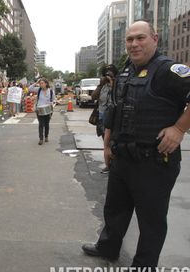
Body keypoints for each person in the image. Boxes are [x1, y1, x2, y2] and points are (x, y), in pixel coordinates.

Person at [81, 21, 190, 269]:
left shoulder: (168, 70)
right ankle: (108, 247)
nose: (133, 44)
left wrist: (179, 128)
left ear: (155, 38)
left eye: (140, 38)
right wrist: (107, 145)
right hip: (122, 157)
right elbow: (114, 111)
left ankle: (143, 264)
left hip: (154, 161)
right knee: (115, 209)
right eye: (129, 40)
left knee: (151, 220)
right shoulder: (126, 72)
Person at [29, 78, 55, 145]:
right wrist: (36, 82)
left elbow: (54, 100)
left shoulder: (51, 91)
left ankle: (46, 136)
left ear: (46, 84)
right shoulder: (38, 89)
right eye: (40, 83)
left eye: (42, 83)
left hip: (48, 109)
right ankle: (41, 139)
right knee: (41, 124)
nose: (41, 84)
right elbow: (30, 89)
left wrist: (51, 103)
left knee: (46, 124)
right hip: (39, 109)